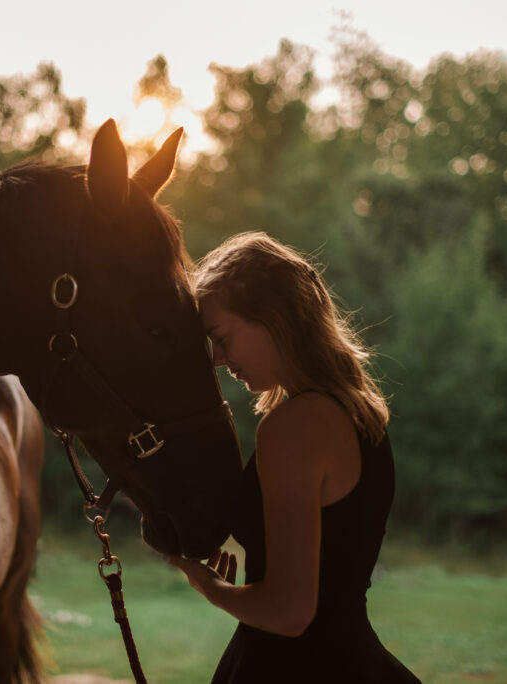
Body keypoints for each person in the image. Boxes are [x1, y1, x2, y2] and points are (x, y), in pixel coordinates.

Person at [170, 232, 419, 682]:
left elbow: (289, 613)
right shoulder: (358, 411)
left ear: (272, 318)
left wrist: (214, 588)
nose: (217, 360)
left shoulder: (294, 426)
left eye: (221, 338)